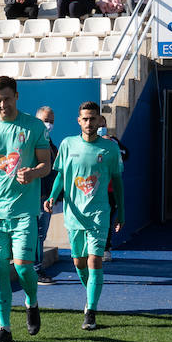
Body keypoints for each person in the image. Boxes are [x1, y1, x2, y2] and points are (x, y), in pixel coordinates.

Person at [0, 75, 53, 342]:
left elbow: (47, 165)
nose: (2, 104)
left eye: (6, 98)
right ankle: (4, 328)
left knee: (23, 268)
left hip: (23, 212)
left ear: (16, 96)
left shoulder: (33, 127)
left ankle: (32, 302)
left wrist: (33, 173)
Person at [44, 102, 125, 330]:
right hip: (74, 214)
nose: (90, 123)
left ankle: (91, 310)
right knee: (78, 262)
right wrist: (52, 196)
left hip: (99, 214)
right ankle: (90, 294)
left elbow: (117, 182)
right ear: (79, 121)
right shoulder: (68, 144)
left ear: (100, 121)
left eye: (93, 119)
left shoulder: (110, 148)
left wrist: (122, 212)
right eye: (85, 119)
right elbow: (61, 175)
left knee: (94, 260)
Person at [33, 106, 60, 283]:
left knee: (41, 235)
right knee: (36, 234)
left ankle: (35, 267)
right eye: (45, 120)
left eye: (51, 121)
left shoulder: (51, 144)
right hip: (34, 196)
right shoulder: (32, 142)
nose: (48, 124)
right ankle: (35, 270)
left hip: (46, 198)